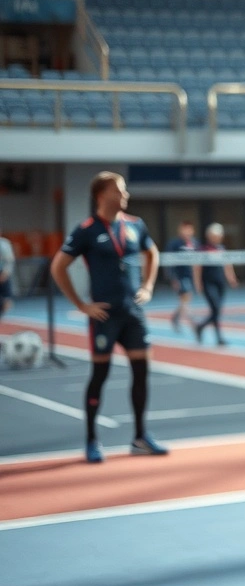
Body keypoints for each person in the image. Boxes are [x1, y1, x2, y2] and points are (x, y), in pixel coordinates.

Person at [49, 171, 168, 463]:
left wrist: (148, 286)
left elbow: (152, 253)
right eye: (120, 190)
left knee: (141, 372)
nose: (126, 195)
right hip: (104, 316)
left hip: (133, 314)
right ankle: (92, 440)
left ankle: (140, 437)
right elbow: (58, 267)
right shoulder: (86, 230)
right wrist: (81, 305)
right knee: (99, 376)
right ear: (103, 195)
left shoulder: (136, 225)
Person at [194, 223, 238, 347]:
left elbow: (227, 264)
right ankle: (218, 336)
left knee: (217, 311)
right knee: (216, 308)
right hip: (208, 282)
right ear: (209, 236)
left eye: (219, 235)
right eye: (215, 235)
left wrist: (231, 278)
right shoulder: (202, 250)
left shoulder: (221, 249)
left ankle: (201, 327)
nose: (217, 237)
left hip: (220, 283)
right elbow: (197, 268)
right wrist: (197, 283)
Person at [165, 220, 199, 332]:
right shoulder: (174, 244)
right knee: (185, 298)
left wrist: (198, 279)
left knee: (185, 299)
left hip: (190, 276)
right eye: (185, 229)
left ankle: (175, 318)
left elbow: (198, 262)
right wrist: (173, 278)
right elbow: (168, 262)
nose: (187, 232)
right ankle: (193, 321)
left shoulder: (194, 243)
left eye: (189, 229)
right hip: (180, 276)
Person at [0, 232, 14, 322]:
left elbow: (9, 260)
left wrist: (5, 273)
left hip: (2, 272)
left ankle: (2, 315)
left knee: (6, 299)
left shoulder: (4, 244)